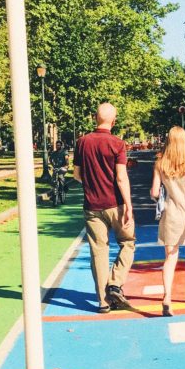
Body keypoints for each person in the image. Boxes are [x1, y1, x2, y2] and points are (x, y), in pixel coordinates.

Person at [73, 103, 135, 313]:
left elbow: (77, 175)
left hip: (92, 206)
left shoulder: (82, 142)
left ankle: (102, 301)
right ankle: (115, 283)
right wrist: (128, 204)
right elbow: (121, 177)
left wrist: (91, 184)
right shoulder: (117, 144)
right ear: (114, 121)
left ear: (94, 118)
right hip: (115, 204)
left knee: (98, 251)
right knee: (127, 242)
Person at [150, 126, 185, 316]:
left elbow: (154, 193)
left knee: (170, 257)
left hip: (171, 215)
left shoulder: (160, 164)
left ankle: (166, 298)